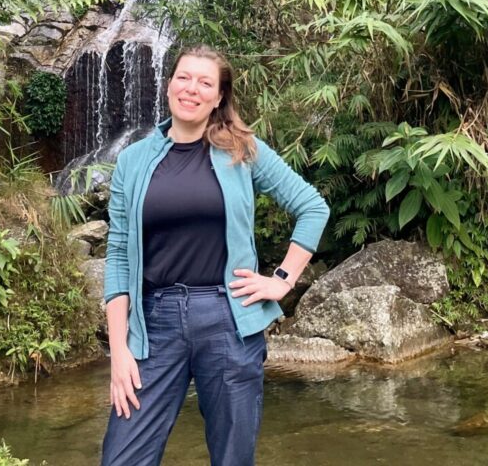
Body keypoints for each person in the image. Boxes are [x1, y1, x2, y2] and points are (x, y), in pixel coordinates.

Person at [100, 45, 330, 466]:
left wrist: (282, 279)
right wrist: (119, 350)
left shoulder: (241, 151)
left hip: (227, 317)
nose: (192, 89)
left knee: (232, 458)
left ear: (219, 96)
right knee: (123, 457)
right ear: (168, 84)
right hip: (153, 325)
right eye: (183, 77)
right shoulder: (133, 161)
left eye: (205, 82)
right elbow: (118, 256)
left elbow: (312, 207)